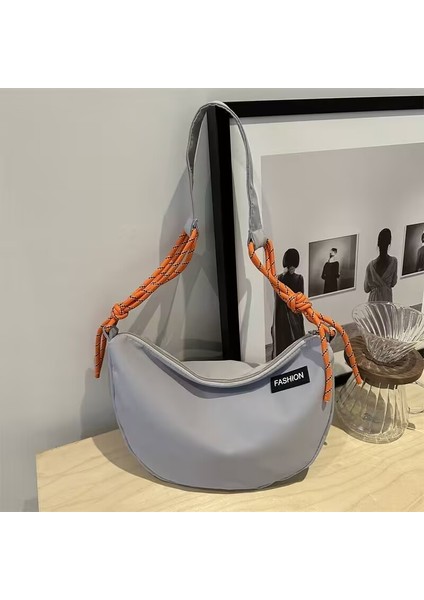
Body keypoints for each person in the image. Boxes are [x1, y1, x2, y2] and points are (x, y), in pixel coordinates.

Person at [272, 248, 305, 358]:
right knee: (293, 341)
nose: (292, 268)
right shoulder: (296, 278)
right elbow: (300, 297)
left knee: (285, 342)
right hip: (290, 315)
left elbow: (277, 298)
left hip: (284, 315)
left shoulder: (280, 278)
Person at [364, 228, 398, 301]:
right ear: (389, 243)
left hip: (373, 301)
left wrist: (376, 286)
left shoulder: (370, 266)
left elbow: (366, 289)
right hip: (386, 299)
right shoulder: (394, 261)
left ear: (378, 244)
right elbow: (393, 283)